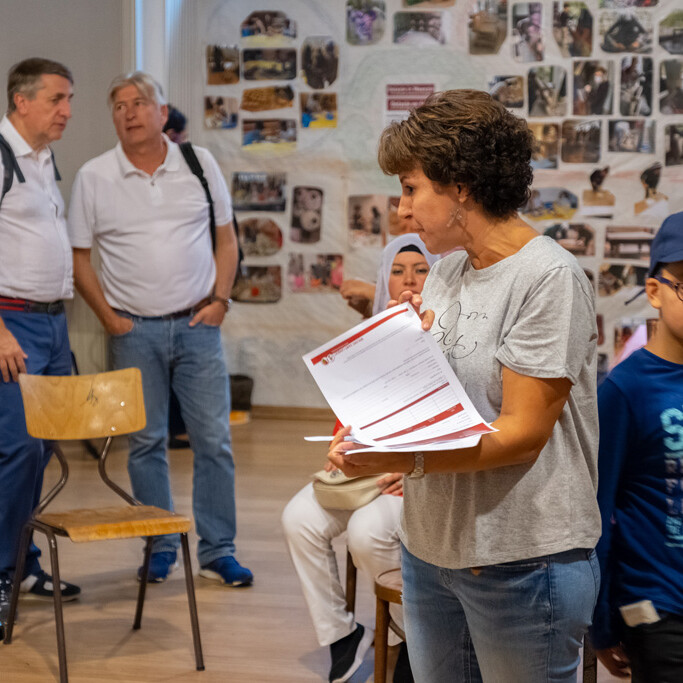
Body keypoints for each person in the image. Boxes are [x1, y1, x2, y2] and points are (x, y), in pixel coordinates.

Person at [328, 89, 601, 683]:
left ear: (461, 186)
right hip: (431, 550)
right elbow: (438, 406)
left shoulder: (548, 277)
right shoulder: (447, 271)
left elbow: (520, 436)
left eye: (410, 188)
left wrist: (402, 458)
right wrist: (370, 420)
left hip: (521, 560)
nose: (402, 210)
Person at [67, 71, 252, 587]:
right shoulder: (94, 176)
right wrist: (109, 319)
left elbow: (227, 240)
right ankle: (160, 544)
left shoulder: (198, 162)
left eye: (139, 102)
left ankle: (218, 551)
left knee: (213, 440)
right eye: (118, 105)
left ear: (163, 112)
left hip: (197, 325)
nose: (128, 112)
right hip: (133, 332)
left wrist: (221, 300)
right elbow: (79, 258)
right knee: (146, 443)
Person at [283, 234, 435, 683]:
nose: (409, 280)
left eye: (421, 270)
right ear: (384, 279)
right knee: (298, 518)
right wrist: (340, 449)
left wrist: (418, 468)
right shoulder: (370, 336)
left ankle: (411, 642)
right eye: (398, 271)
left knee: (366, 534)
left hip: (415, 475)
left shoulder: (447, 330)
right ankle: (342, 636)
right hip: (367, 468)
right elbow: (348, 410)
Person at [0, 58, 80, 638]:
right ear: (21, 101)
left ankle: (23, 562)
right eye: (57, 99)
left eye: (69, 99)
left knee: (45, 447)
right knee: (19, 450)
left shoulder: (45, 158)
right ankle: (2, 572)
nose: (67, 111)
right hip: (12, 324)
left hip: (53, 325)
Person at [590, 212, 683, 682]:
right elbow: (598, 510)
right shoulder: (625, 390)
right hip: (659, 610)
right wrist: (602, 622)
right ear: (654, 291)